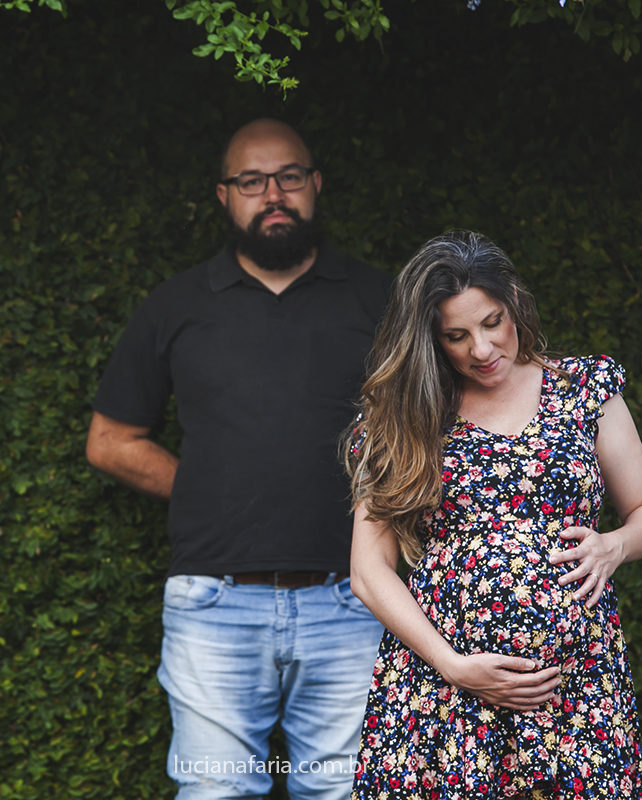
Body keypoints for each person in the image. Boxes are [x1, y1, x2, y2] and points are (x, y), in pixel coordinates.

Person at [85, 118, 392, 800]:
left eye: (287, 177)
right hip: (214, 603)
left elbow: (441, 429)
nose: (272, 193)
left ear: (315, 185)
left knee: (346, 794)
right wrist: (208, 489)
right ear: (224, 196)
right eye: (251, 181)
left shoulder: (381, 301)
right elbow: (109, 441)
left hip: (357, 598)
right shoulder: (175, 306)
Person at [344, 230, 642, 800]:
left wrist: (614, 545)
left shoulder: (582, 389)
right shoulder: (405, 419)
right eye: (456, 335)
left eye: (491, 322)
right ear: (430, 340)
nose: (481, 348)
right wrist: (452, 666)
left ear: (514, 302)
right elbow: (369, 572)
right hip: (442, 692)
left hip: (577, 689)